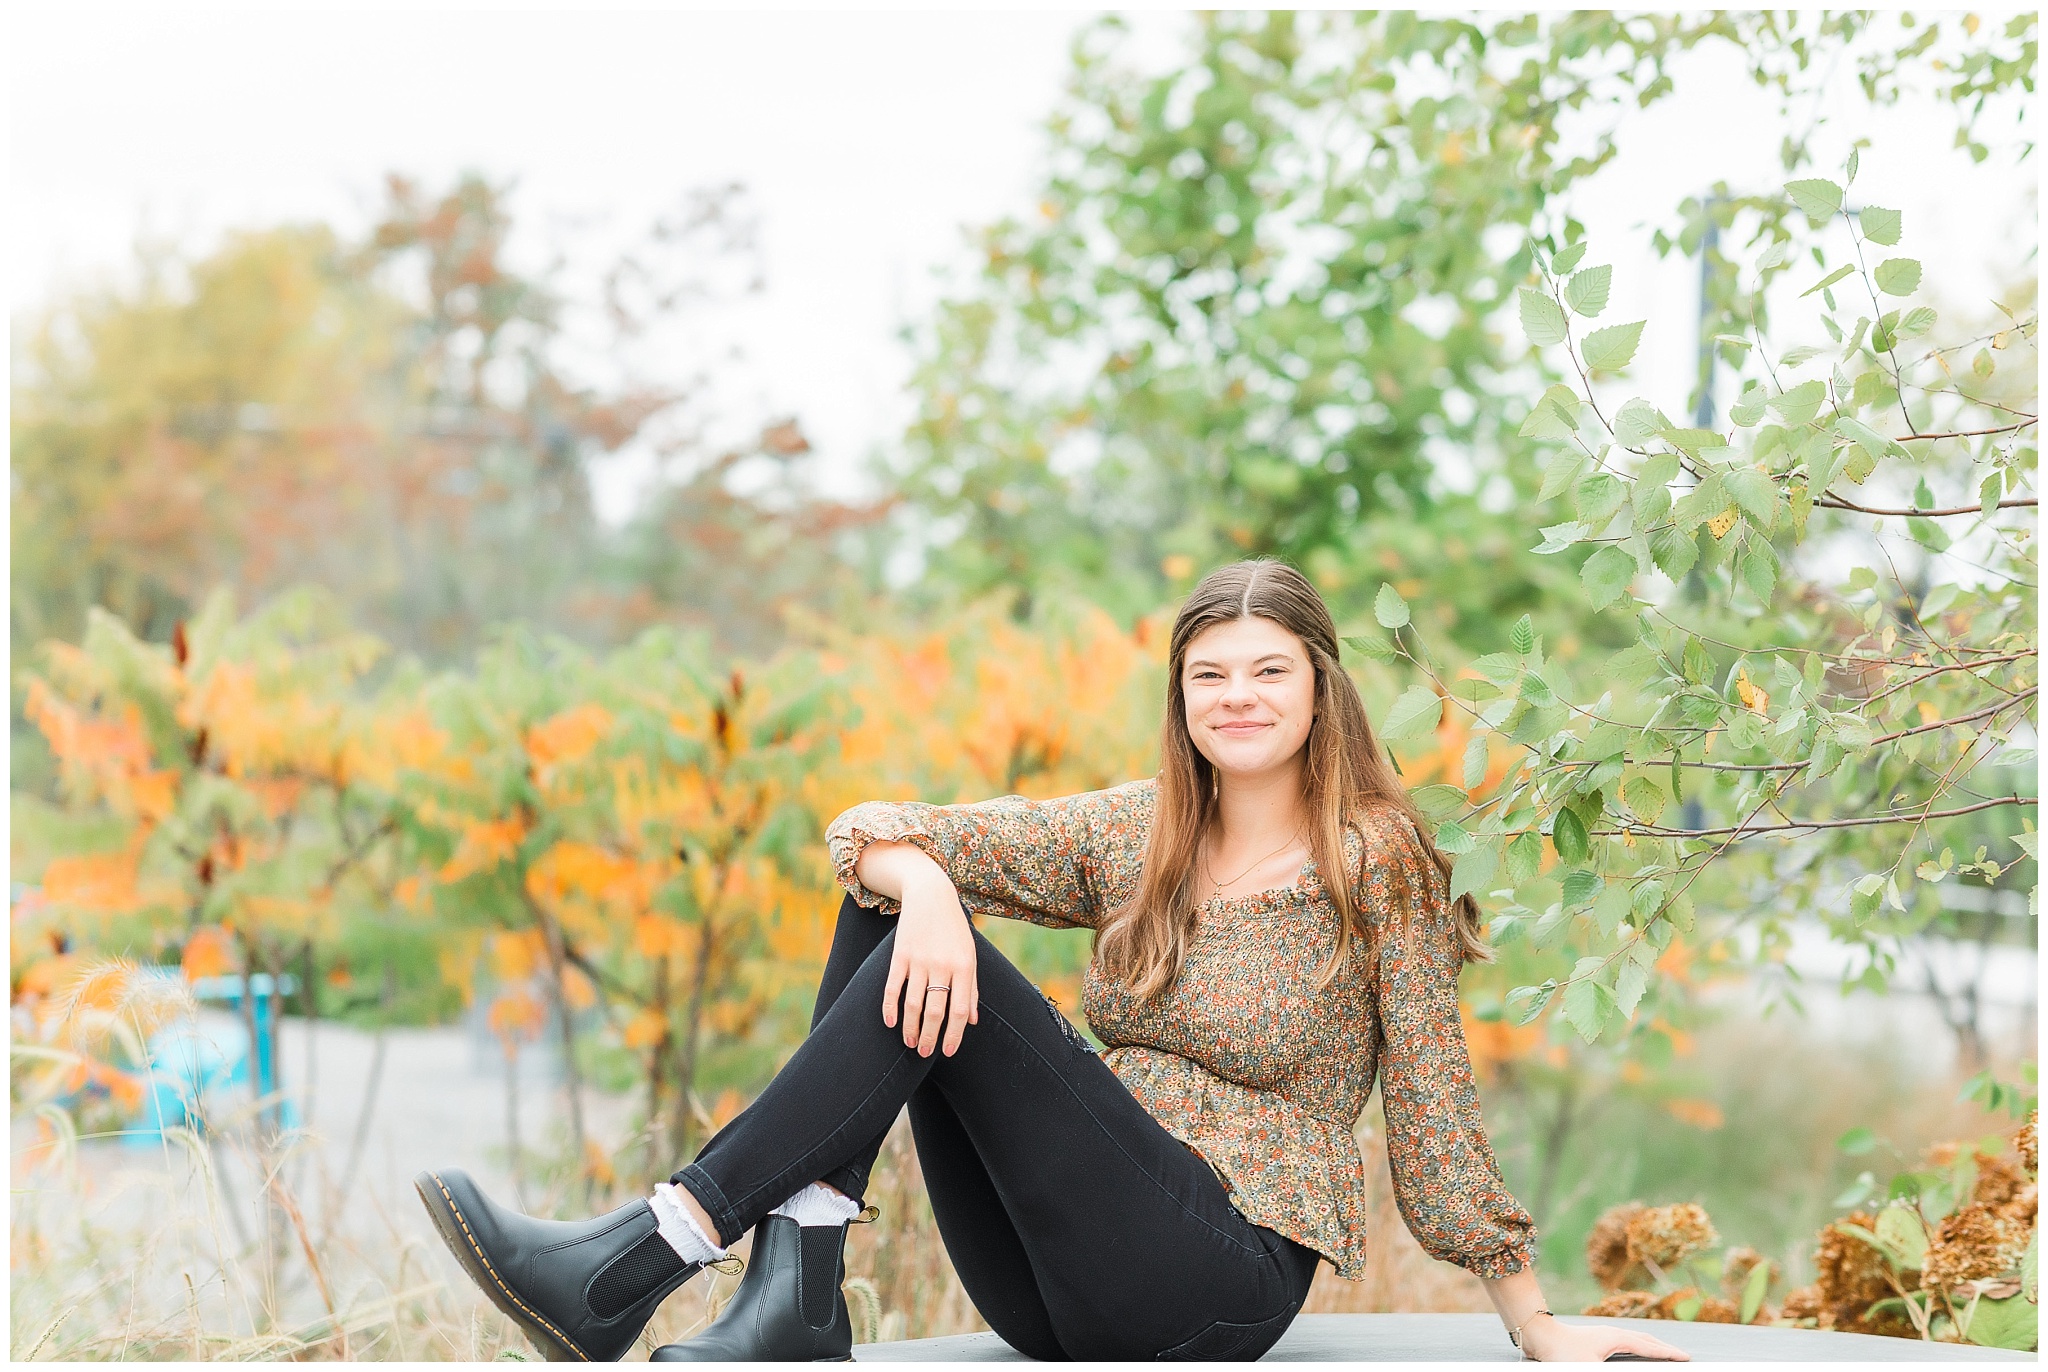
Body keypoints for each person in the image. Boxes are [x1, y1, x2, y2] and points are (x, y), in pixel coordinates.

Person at [417, 559, 1689, 1363]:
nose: (1236, 695)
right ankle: (797, 1287)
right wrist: (917, 878)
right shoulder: (1141, 828)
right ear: (1181, 698)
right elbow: (868, 831)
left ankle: (651, 1254)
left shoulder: (1377, 860)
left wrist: (1531, 1323)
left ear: (1320, 689)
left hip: (1214, 1281)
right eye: (1208, 674)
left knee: (931, 933)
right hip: (1052, 1283)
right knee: (893, 912)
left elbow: (1429, 1097)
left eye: (1266, 670)